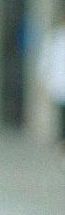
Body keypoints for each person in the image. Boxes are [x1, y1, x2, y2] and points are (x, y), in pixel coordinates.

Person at [36, 14, 65, 143]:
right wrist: (42, 78)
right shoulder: (54, 36)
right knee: (61, 112)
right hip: (58, 81)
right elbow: (46, 59)